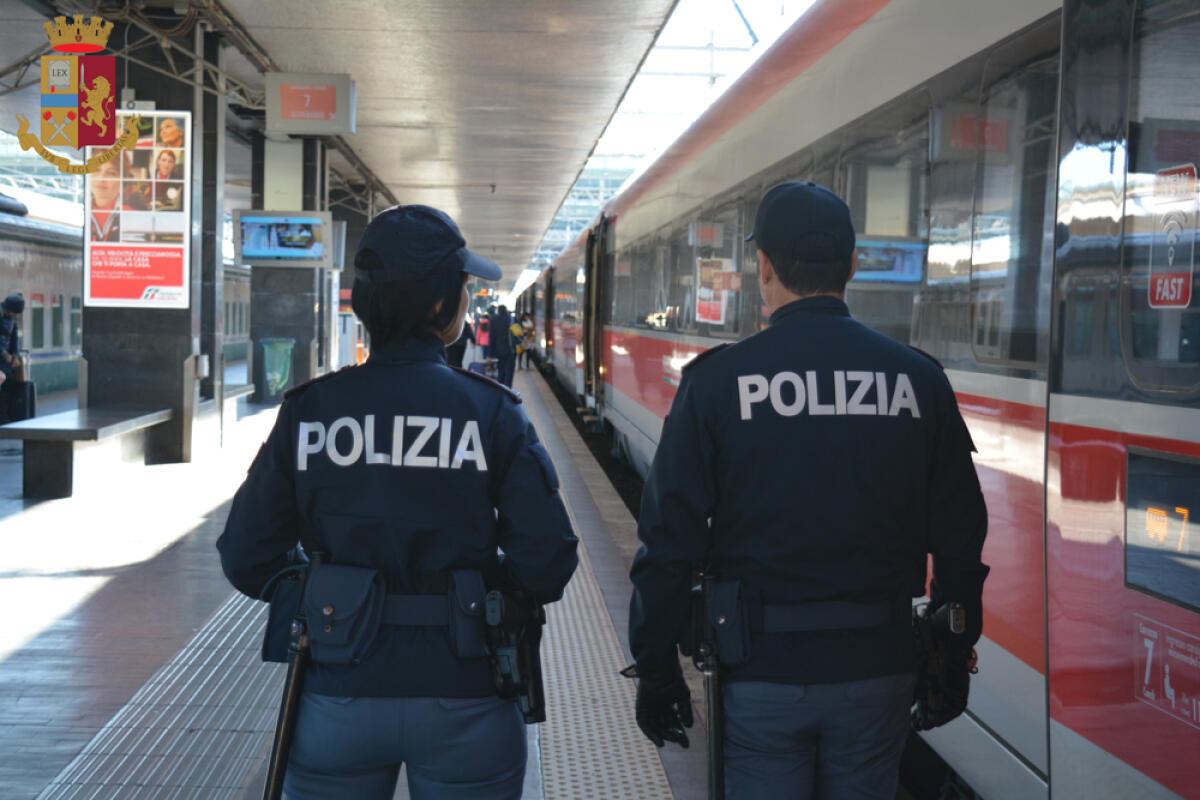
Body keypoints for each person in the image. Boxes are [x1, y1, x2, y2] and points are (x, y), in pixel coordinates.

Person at [627, 182, 988, 799]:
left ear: (763, 265)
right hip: (879, 670)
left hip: (761, 674)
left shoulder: (718, 384)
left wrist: (657, 665)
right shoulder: (918, 380)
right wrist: (953, 653)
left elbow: (669, 540)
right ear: (851, 265)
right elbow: (959, 532)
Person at [217, 204, 578, 799]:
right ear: (441, 307)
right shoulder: (490, 413)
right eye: (462, 285)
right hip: (468, 697)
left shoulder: (312, 410)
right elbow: (548, 559)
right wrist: (484, 597)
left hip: (336, 694)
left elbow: (247, 554)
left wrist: (326, 593)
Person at [0, 294, 23, 423]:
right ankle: (3, 418)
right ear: (10, 309)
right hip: (2, 357)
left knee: (9, 383)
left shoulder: (12, 319)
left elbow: (14, 337)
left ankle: (5, 416)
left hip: (6, 360)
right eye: (16, 313)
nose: (17, 316)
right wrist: (4, 354)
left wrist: (15, 355)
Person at [490, 304, 515, 387]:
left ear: (498, 311)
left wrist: (490, 354)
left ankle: (501, 388)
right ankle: (508, 390)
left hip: (499, 350)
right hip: (510, 350)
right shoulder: (511, 319)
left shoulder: (494, 320)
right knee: (509, 372)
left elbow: (492, 338)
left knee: (501, 371)